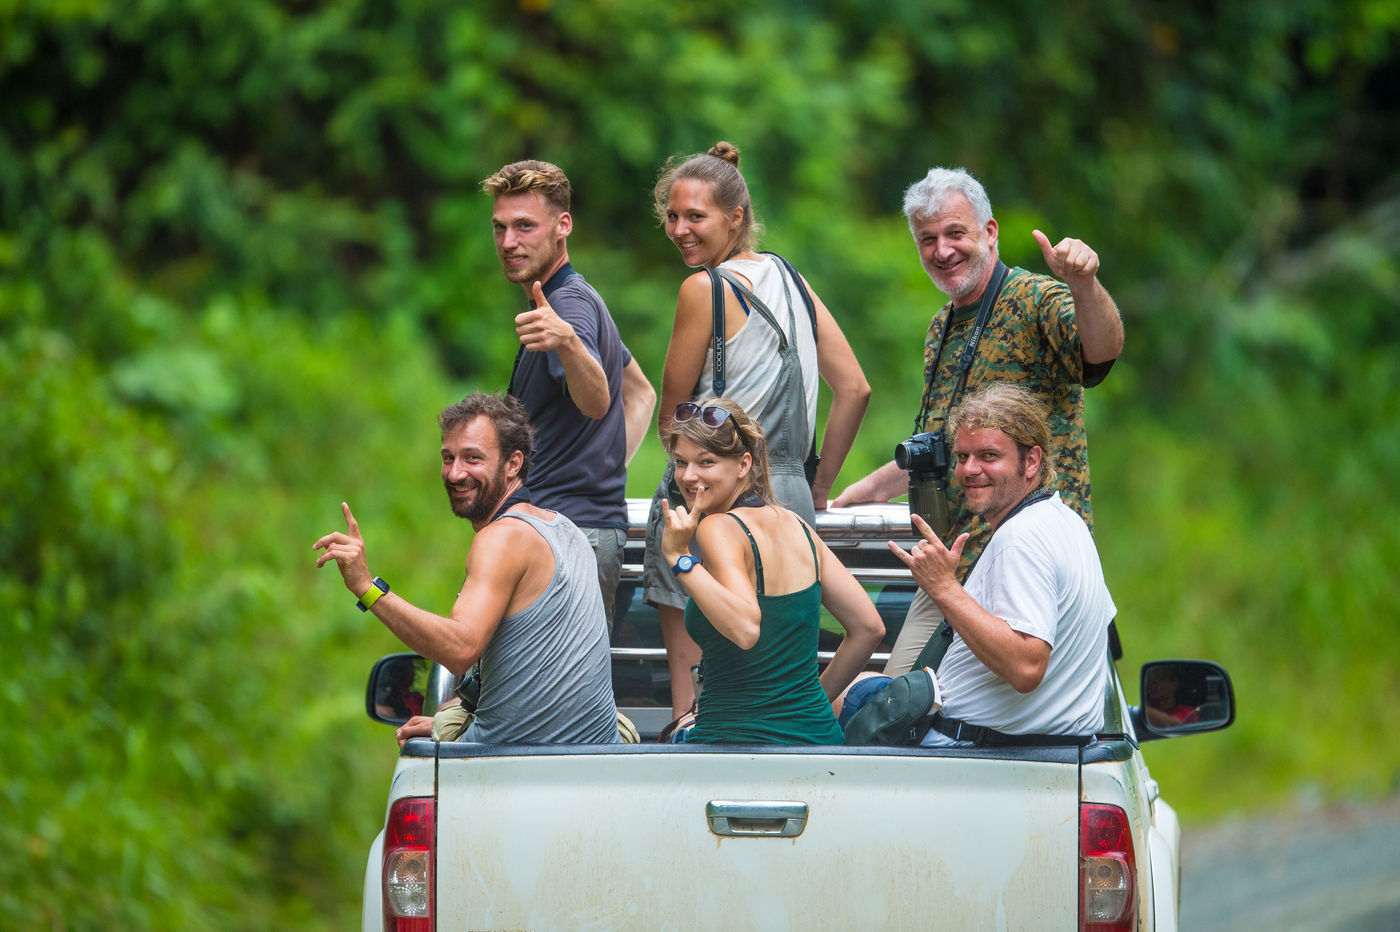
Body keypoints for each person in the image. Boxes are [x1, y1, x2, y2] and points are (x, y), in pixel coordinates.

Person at [833, 166, 1124, 676]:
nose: (942, 251)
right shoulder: (941, 326)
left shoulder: (1036, 299)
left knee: (915, 714)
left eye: (955, 234)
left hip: (1021, 562)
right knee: (893, 706)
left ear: (989, 233)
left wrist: (1085, 283)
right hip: (953, 565)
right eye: (928, 239)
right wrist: (871, 488)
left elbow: (1099, 353)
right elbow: (946, 446)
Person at [646, 141, 872, 717]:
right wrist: (815, 487)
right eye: (671, 216)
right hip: (790, 497)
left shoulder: (704, 289)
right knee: (776, 661)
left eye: (695, 216)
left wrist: (689, 468)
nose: (678, 230)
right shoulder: (792, 278)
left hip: (710, 494)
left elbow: (673, 421)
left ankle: (688, 743)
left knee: (694, 671)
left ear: (735, 217)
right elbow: (854, 390)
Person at [313, 392, 619, 745]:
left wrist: (367, 588)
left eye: (472, 458)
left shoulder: (502, 538)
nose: (455, 473)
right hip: (598, 756)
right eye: (448, 458)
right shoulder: (567, 530)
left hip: (515, 768)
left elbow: (460, 649)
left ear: (512, 463)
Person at [839, 383, 1116, 745]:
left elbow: (1026, 667)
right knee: (861, 684)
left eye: (988, 456)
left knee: (827, 700)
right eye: (962, 456)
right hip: (1051, 746)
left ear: (1031, 461)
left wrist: (944, 588)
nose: (970, 470)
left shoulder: (1020, 540)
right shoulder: (1067, 521)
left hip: (970, 749)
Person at [482, 159, 656, 628]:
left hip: (567, 536)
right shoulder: (578, 296)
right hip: (578, 529)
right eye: (499, 228)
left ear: (563, 226)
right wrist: (602, 466)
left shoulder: (568, 307)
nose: (508, 242)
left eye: (524, 226)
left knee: (552, 698)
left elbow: (597, 401)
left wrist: (569, 342)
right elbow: (641, 391)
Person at [659, 399, 884, 743]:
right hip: (820, 741)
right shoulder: (797, 526)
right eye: (681, 463)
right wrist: (812, 706)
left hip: (736, 748)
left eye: (706, 462)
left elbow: (746, 628)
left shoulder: (717, 528)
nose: (689, 476)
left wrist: (679, 557)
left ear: (743, 464)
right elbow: (869, 627)